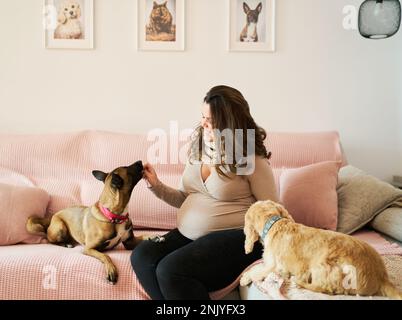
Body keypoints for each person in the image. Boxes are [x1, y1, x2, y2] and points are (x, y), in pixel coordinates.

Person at [130, 85, 278, 300]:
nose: (203, 123)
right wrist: (156, 185)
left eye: (210, 119)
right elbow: (183, 198)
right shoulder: (199, 149)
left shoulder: (250, 158)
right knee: (142, 256)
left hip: (237, 238)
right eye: (202, 116)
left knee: (170, 269)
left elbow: (271, 209)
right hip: (189, 236)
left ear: (229, 121)